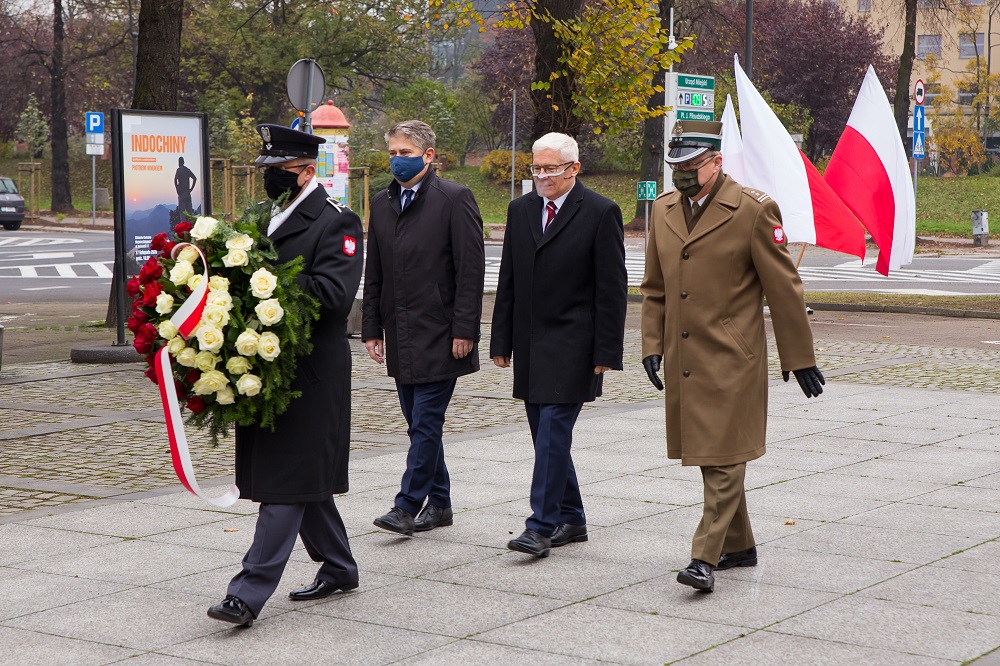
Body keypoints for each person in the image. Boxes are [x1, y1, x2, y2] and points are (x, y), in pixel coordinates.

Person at [640, 120, 825, 593]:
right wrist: (652, 345)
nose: (682, 174)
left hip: (732, 356)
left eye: (692, 166)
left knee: (721, 457)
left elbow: (783, 286)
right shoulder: (662, 211)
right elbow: (655, 288)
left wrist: (798, 356)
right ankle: (739, 545)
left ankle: (703, 557)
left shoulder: (752, 210)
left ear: (717, 163)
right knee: (712, 452)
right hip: (684, 354)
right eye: (675, 166)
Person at [208, 124, 364, 627]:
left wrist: (263, 292)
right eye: (266, 172)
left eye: (276, 172)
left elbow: (333, 297)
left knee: (284, 483)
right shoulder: (269, 217)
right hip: (268, 366)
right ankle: (338, 567)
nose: (267, 180)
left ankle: (247, 593)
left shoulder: (339, 222)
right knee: (299, 478)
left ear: (304, 171)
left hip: (310, 374)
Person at [491, 132, 627, 558]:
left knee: (552, 434)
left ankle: (540, 527)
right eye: (537, 168)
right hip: (530, 344)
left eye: (551, 169)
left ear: (574, 169)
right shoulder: (521, 209)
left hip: (574, 345)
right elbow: (508, 279)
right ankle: (573, 517)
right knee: (545, 437)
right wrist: (501, 339)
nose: (542, 177)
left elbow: (612, 289)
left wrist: (606, 352)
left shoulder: (601, 212)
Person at [363, 120, 485, 537]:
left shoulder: (454, 198)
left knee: (427, 422)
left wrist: (465, 329)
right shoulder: (382, 203)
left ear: (428, 156)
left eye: (406, 153)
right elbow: (374, 270)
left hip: (442, 333)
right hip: (400, 333)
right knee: (419, 425)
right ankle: (442, 503)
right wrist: (370, 328)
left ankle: (407, 505)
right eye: (393, 153)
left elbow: (471, 271)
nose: (397, 160)